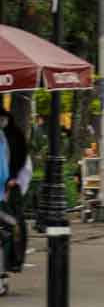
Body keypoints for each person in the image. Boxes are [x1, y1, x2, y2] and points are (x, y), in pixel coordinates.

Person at [0, 106, 31, 277]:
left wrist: (13, 181)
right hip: (8, 190)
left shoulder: (11, 137)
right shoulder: (8, 137)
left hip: (10, 190)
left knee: (12, 226)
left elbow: (22, 164)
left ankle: (12, 261)